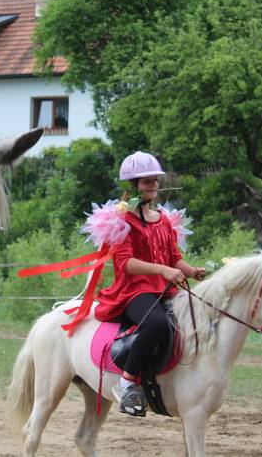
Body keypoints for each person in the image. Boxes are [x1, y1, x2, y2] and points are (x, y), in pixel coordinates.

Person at [94, 151, 205, 416]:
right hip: (134, 291)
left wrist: (192, 270)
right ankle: (127, 382)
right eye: (146, 182)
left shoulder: (164, 220)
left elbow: (175, 258)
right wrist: (164, 271)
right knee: (155, 323)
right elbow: (125, 264)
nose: (153, 186)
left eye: (155, 181)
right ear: (133, 186)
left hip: (165, 290)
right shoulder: (122, 221)